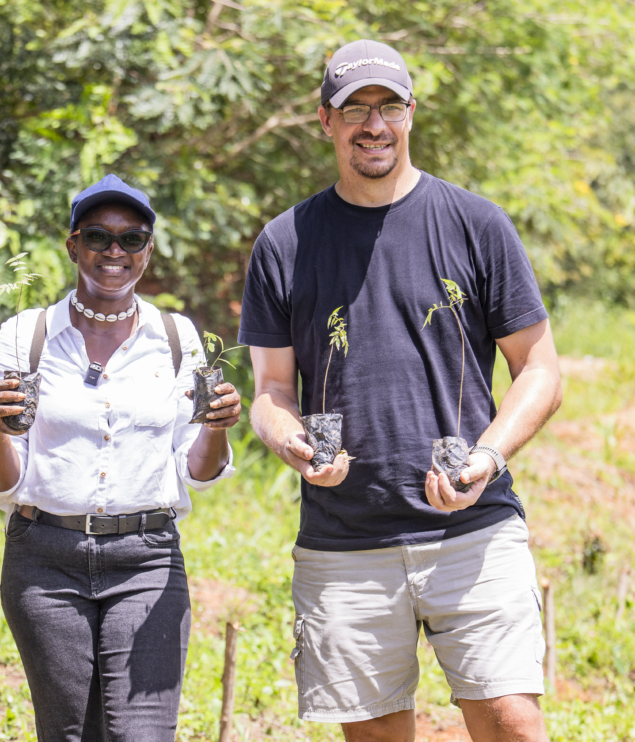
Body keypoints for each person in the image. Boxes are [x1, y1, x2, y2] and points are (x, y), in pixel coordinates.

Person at [239, 40, 562, 742]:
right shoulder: (285, 242)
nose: (373, 124)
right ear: (326, 121)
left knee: (511, 722)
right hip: (344, 541)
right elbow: (271, 389)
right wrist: (292, 443)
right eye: (354, 108)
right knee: (376, 735)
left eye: (388, 106)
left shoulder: (477, 225)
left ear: (411, 113)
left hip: (473, 529)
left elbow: (539, 371)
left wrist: (487, 459)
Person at [0, 174, 240, 741]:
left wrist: (215, 428)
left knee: (143, 732)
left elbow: (197, 470)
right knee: (71, 732)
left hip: (147, 560)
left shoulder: (176, 338)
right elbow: (0, 481)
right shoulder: (25, 337)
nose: (114, 250)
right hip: (44, 560)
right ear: (73, 246)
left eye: (131, 239)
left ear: (148, 250)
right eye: (97, 236)